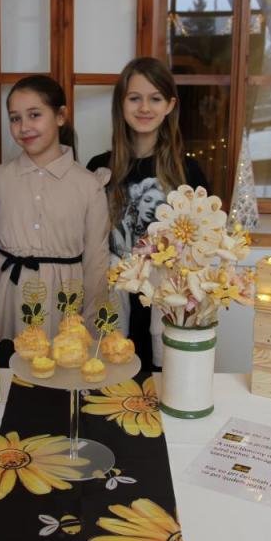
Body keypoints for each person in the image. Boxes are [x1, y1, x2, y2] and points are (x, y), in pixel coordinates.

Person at [87, 56, 209, 371]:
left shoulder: (187, 172)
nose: (144, 108)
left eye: (155, 98)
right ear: (121, 103)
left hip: (165, 305)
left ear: (170, 105)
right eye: (134, 98)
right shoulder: (98, 168)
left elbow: (202, 247)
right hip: (112, 303)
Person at [0, 75, 109, 342]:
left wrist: (93, 324)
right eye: (15, 118)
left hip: (63, 304)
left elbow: (96, 262)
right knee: (5, 362)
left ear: (60, 116)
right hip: (5, 298)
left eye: (34, 115)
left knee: (56, 364)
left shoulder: (88, 186)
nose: (24, 127)